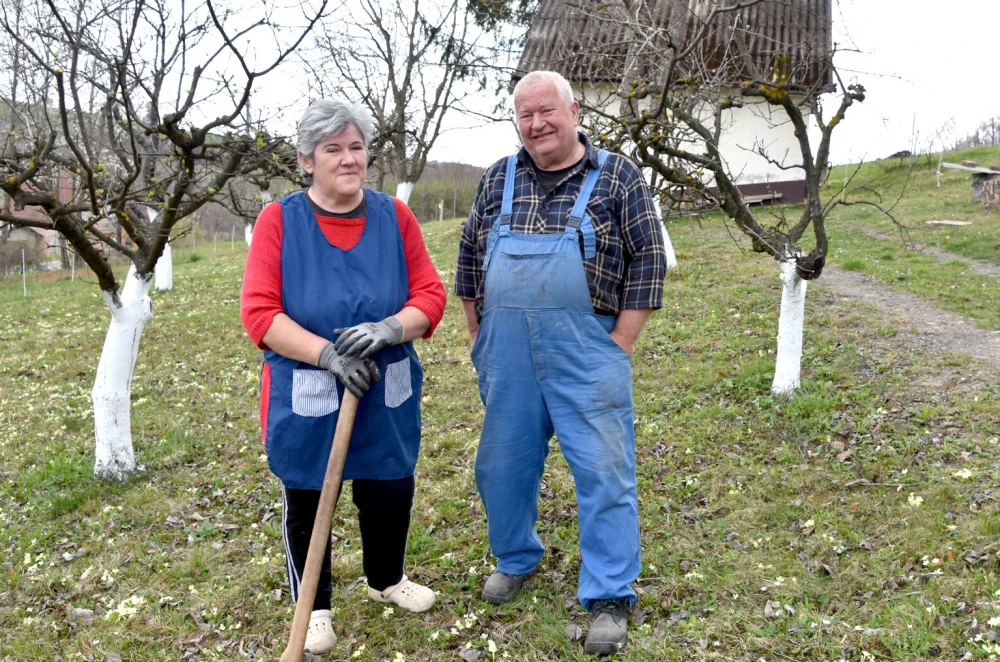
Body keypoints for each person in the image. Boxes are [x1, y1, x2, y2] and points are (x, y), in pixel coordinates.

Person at [455, 71, 667, 655]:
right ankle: (517, 556)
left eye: (546, 111)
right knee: (502, 466)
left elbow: (649, 257)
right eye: (524, 115)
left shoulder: (617, 175)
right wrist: (479, 336)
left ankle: (608, 593)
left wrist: (620, 342)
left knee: (603, 471)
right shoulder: (498, 178)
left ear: (573, 110)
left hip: (588, 348)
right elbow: (471, 256)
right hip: (507, 353)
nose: (536, 124)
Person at [240, 99, 446, 655]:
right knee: (308, 498)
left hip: (385, 387)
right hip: (310, 390)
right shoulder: (280, 220)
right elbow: (260, 313)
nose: (348, 159)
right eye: (334, 149)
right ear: (307, 161)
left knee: (389, 487)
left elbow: (430, 295)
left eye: (356, 147)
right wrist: (326, 355)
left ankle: (386, 579)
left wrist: (390, 327)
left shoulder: (394, 217)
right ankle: (316, 606)